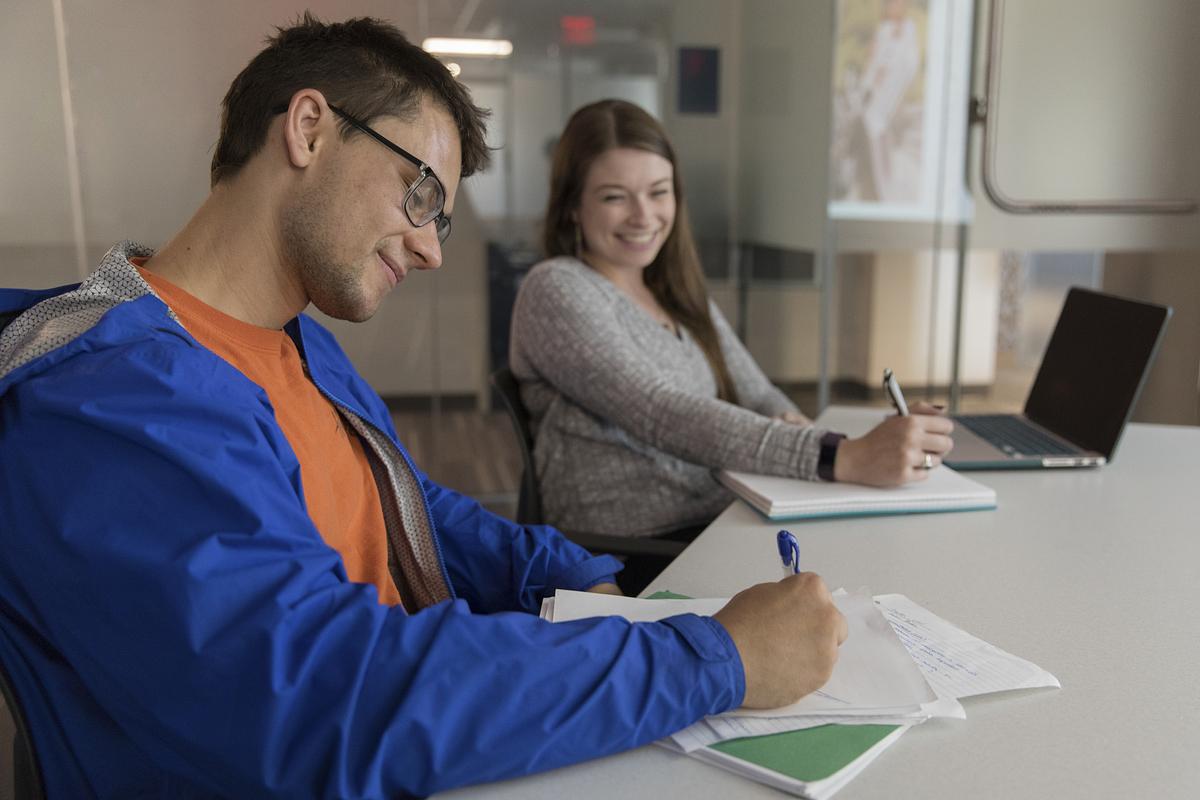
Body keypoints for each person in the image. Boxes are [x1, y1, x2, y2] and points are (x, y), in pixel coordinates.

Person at [0, 15, 848, 798]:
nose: (434, 249)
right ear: (308, 130)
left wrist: (558, 571)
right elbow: (320, 695)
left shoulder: (295, 341)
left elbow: (401, 502)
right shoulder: (106, 402)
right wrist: (714, 659)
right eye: (421, 196)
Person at [509, 99, 952, 549]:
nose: (644, 216)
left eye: (659, 192)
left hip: (726, 516)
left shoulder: (675, 291)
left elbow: (757, 393)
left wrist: (791, 421)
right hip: (636, 550)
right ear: (571, 206)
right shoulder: (556, 288)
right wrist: (840, 456)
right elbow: (659, 411)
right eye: (614, 197)